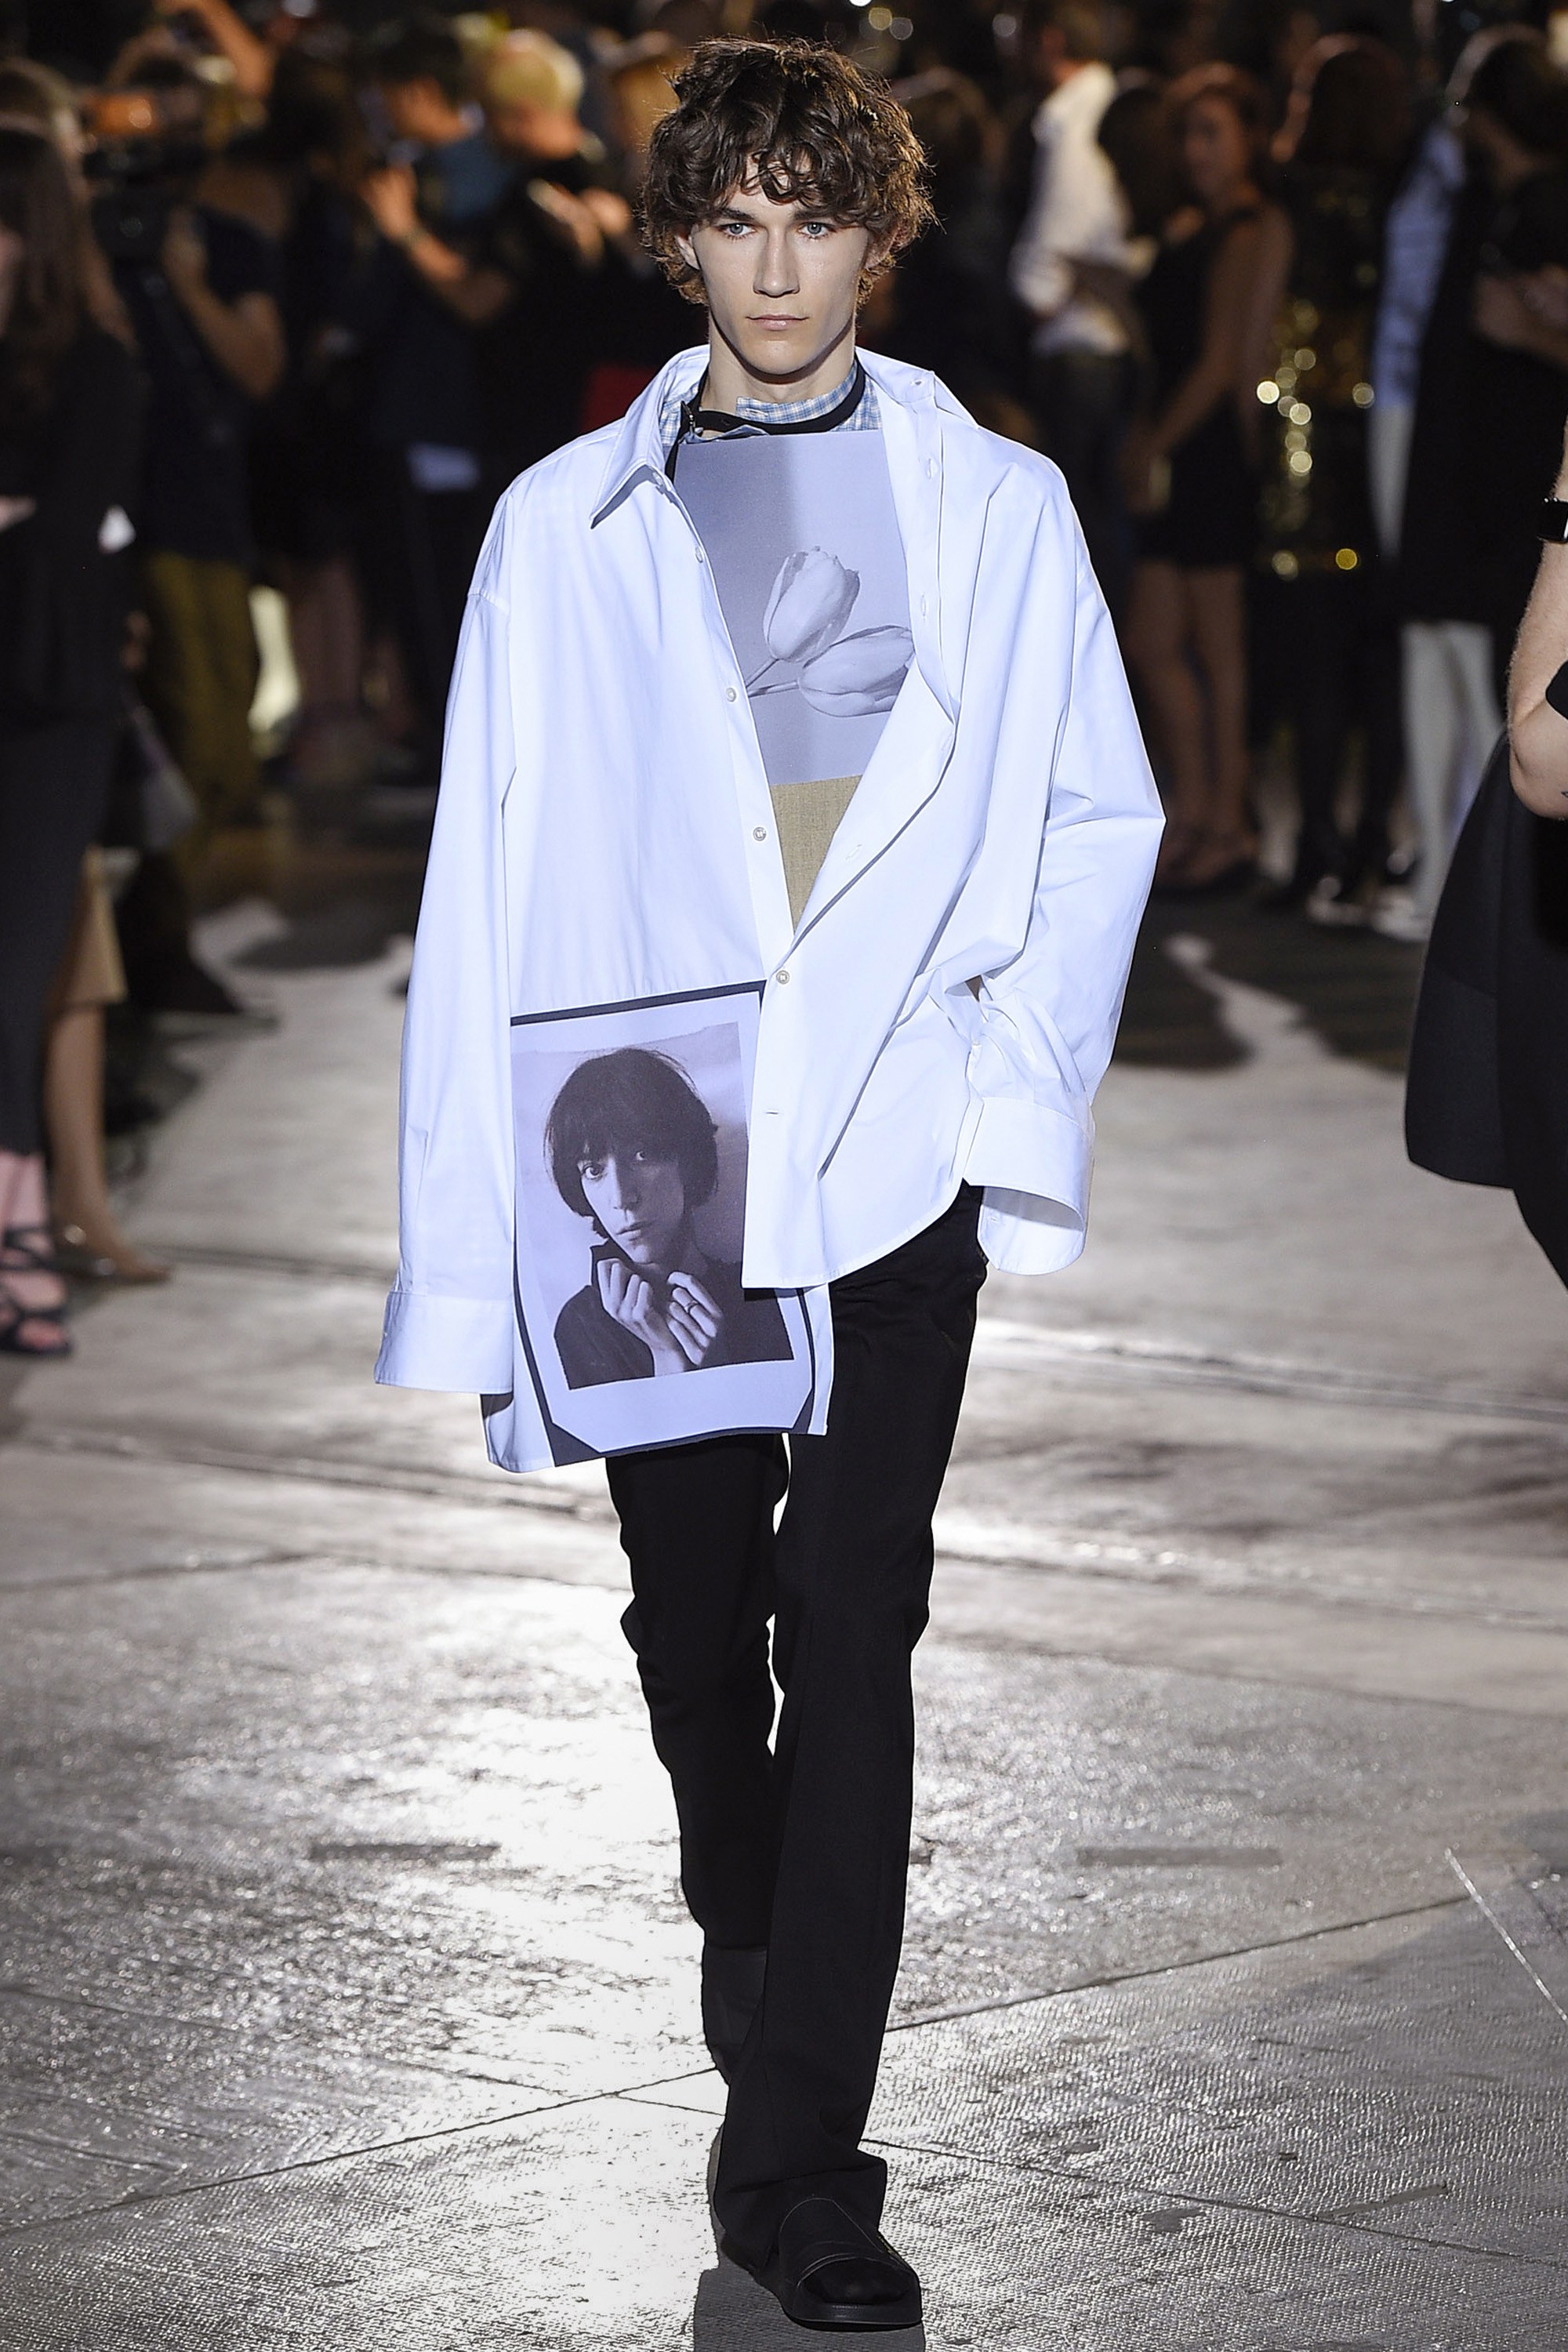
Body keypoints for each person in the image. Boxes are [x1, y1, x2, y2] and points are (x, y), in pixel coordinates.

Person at [376, 35, 1161, 2335]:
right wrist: (468, 1260)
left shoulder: (996, 505)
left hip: (895, 1148)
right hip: (651, 1164)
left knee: (857, 1625)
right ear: (678, 240)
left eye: (819, 221)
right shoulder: (560, 528)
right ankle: (756, 1940)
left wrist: (1010, 1112)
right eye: (737, 223)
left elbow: (1088, 817)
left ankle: (801, 2157)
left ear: (880, 235)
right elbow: (483, 882)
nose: (780, 268)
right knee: (693, 1628)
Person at [100, 52, 285, 1018]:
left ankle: (146, 936)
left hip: (211, 511)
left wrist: (191, 287)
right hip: (131, 524)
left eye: (174, 129)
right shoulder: (86, 247)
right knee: (192, 740)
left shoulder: (228, 243)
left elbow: (260, 368)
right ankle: (145, 946)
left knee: (225, 752)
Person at [0, 128, 142, 1354]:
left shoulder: (92, 365)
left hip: (49, 711)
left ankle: (25, 1240)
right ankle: (28, 1231)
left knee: (22, 980)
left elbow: (63, 551)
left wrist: (31, 525)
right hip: (44, 680)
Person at [1252, 36, 1410, 920]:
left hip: (1302, 438)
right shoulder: (1402, 199)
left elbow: (1268, 330)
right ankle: (1370, 840)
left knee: (1312, 653)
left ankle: (1315, 837)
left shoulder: (1288, 196)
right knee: (1379, 652)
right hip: (1382, 437)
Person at [1122, 64, 1287, 892]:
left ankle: (1227, 823)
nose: (1197, 150)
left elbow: (1224, 361)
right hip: (1175, 441)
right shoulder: (1191, 227)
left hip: (1207, 447)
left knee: (1220, 650)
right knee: (1152, 642)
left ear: (1250, 139)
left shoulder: (1253, 228)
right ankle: (1191, 808)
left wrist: (1153, 445)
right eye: (1188, 134)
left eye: (1212, 133)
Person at [546, 1047, 791, 1386]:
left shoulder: (762, 1298)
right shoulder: (580, 1326)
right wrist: (668, 1359)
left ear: (687, 1159)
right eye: (594, 1170)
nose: (621, 1198)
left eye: (642, 1154)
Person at [1008, 0, 1138, 604]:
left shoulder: (1081, 115)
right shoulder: (1096, 107)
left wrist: (1034, 294)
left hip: (1082, 350)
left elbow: (1058, 243)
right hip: (1093, 347)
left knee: (1084, 547)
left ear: (1050, 39)